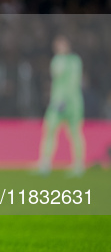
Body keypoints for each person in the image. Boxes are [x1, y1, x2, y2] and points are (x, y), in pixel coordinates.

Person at [37, 35, 85, 176]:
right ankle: (45, 163)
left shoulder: (75, 61)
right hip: (57, 102)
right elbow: (57, 81)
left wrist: (65, 99)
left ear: (67, 45)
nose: (59, 47)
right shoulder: (56, 60)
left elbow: (73, 81)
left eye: (61, 44)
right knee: (49, 130)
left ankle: (78, 164)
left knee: (75, 132)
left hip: (72, 103)